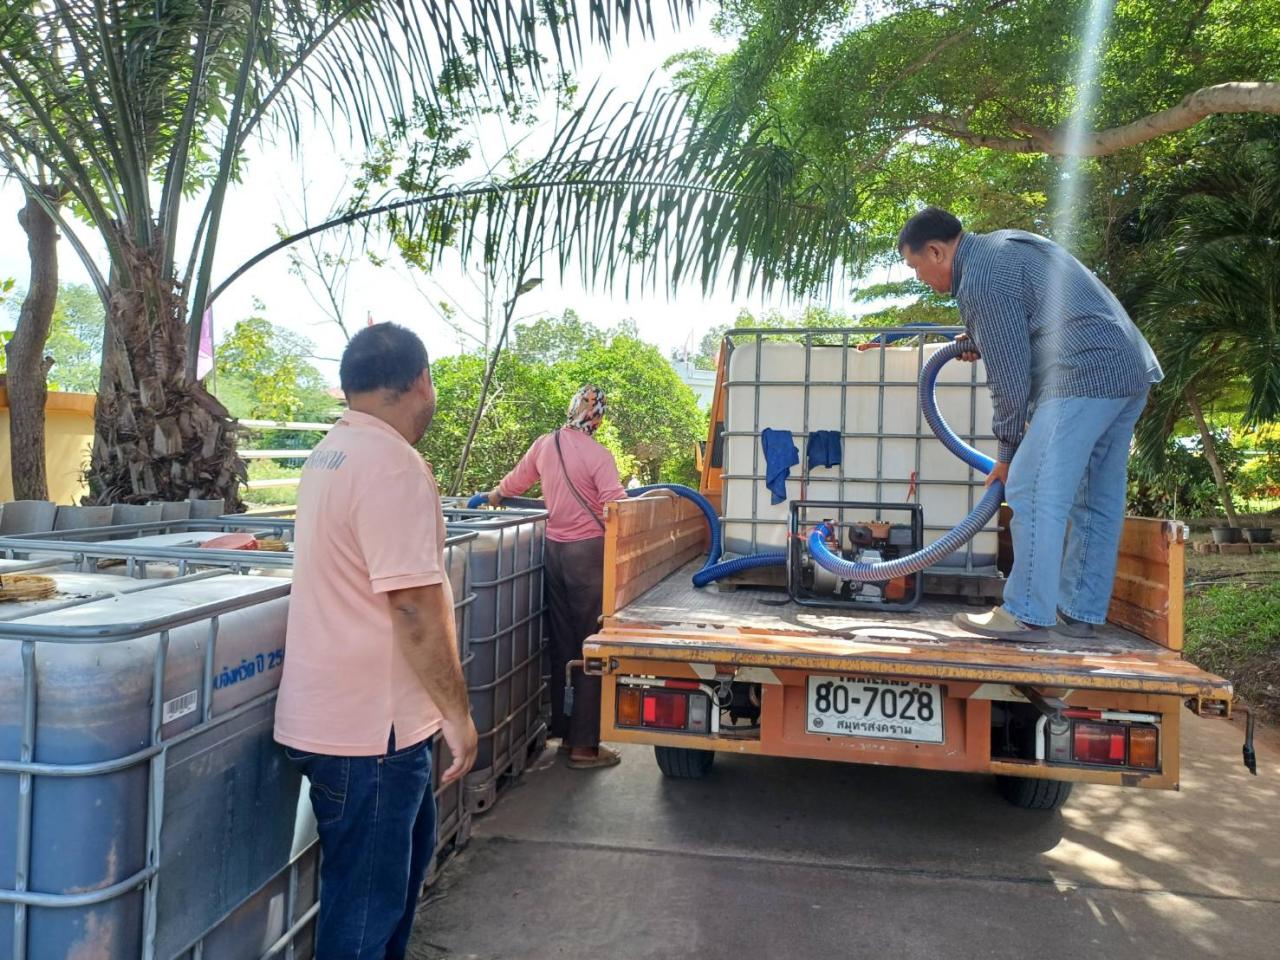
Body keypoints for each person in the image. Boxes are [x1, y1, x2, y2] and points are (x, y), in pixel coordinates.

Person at [274, 323, 478, 959]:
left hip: (340, 724)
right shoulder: (393, 465)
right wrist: (459, 716)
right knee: (365, 917)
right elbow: (414, 608)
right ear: (421, 381)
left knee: (381, 897)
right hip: (372, 739)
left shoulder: (330, 453)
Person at [897, 207, 1163, 641]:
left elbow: (1010, 379)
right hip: (1128, 369)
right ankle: (1081, 613)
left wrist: (1006, 454)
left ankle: (1026, 613)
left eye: (916, 266)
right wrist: (981, 336)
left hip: (1083, 374)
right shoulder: (1002, 245)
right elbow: (1031, 319)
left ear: (936, 251)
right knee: (1095, 499)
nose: (919, 277)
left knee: (1029, 486)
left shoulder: (980, 278)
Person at [483, 385, 628, 769]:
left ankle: (563, 733)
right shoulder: (599, 455)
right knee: (591, 648)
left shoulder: (545, 445)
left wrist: (490, 497)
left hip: (555, 552)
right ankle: (584, 747)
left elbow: (514, 483)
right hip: (588, 557)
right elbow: (615, 505)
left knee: (563, 645)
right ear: (597, 416)